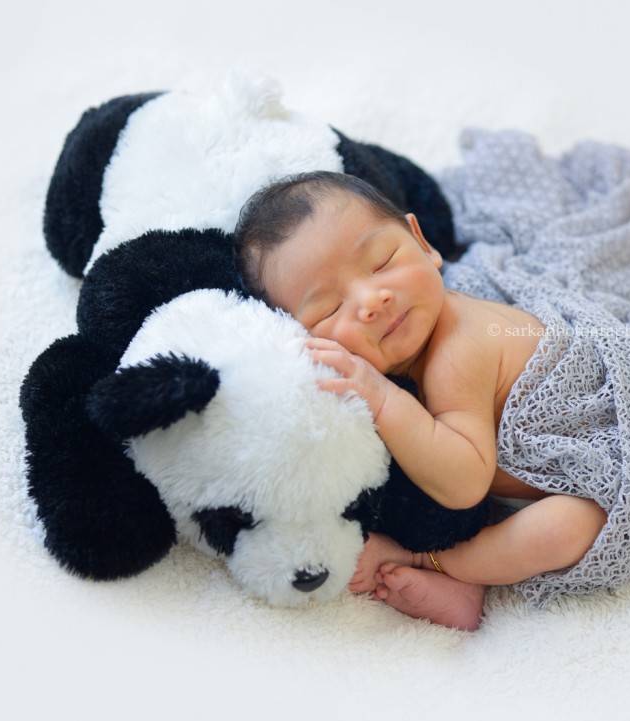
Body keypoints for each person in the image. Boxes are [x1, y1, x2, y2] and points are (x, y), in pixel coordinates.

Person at [234, 171, 608, 631]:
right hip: (497, 465)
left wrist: (382, 398)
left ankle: (435, 560)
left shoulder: (459, 348)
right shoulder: (402, 351)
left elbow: (467, 481)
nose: (373, 300)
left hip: (609, 459)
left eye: (382, 262)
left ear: (421, 241)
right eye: (329, 309)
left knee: (570, 527)